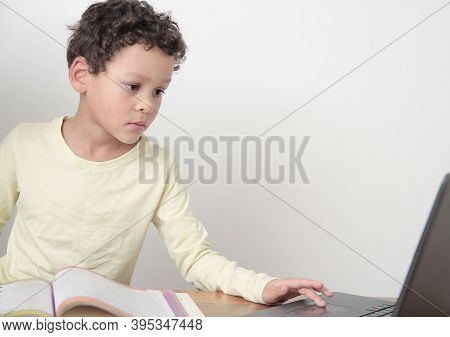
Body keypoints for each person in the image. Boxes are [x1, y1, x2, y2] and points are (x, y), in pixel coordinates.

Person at [0, 0, 332, 307]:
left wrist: (262, 286)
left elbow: (195, 257)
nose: (147, 104)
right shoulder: (24, 144)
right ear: (82, 75)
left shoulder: (157, 166)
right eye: (133, 86)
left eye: (159, 91)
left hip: (93, 321)